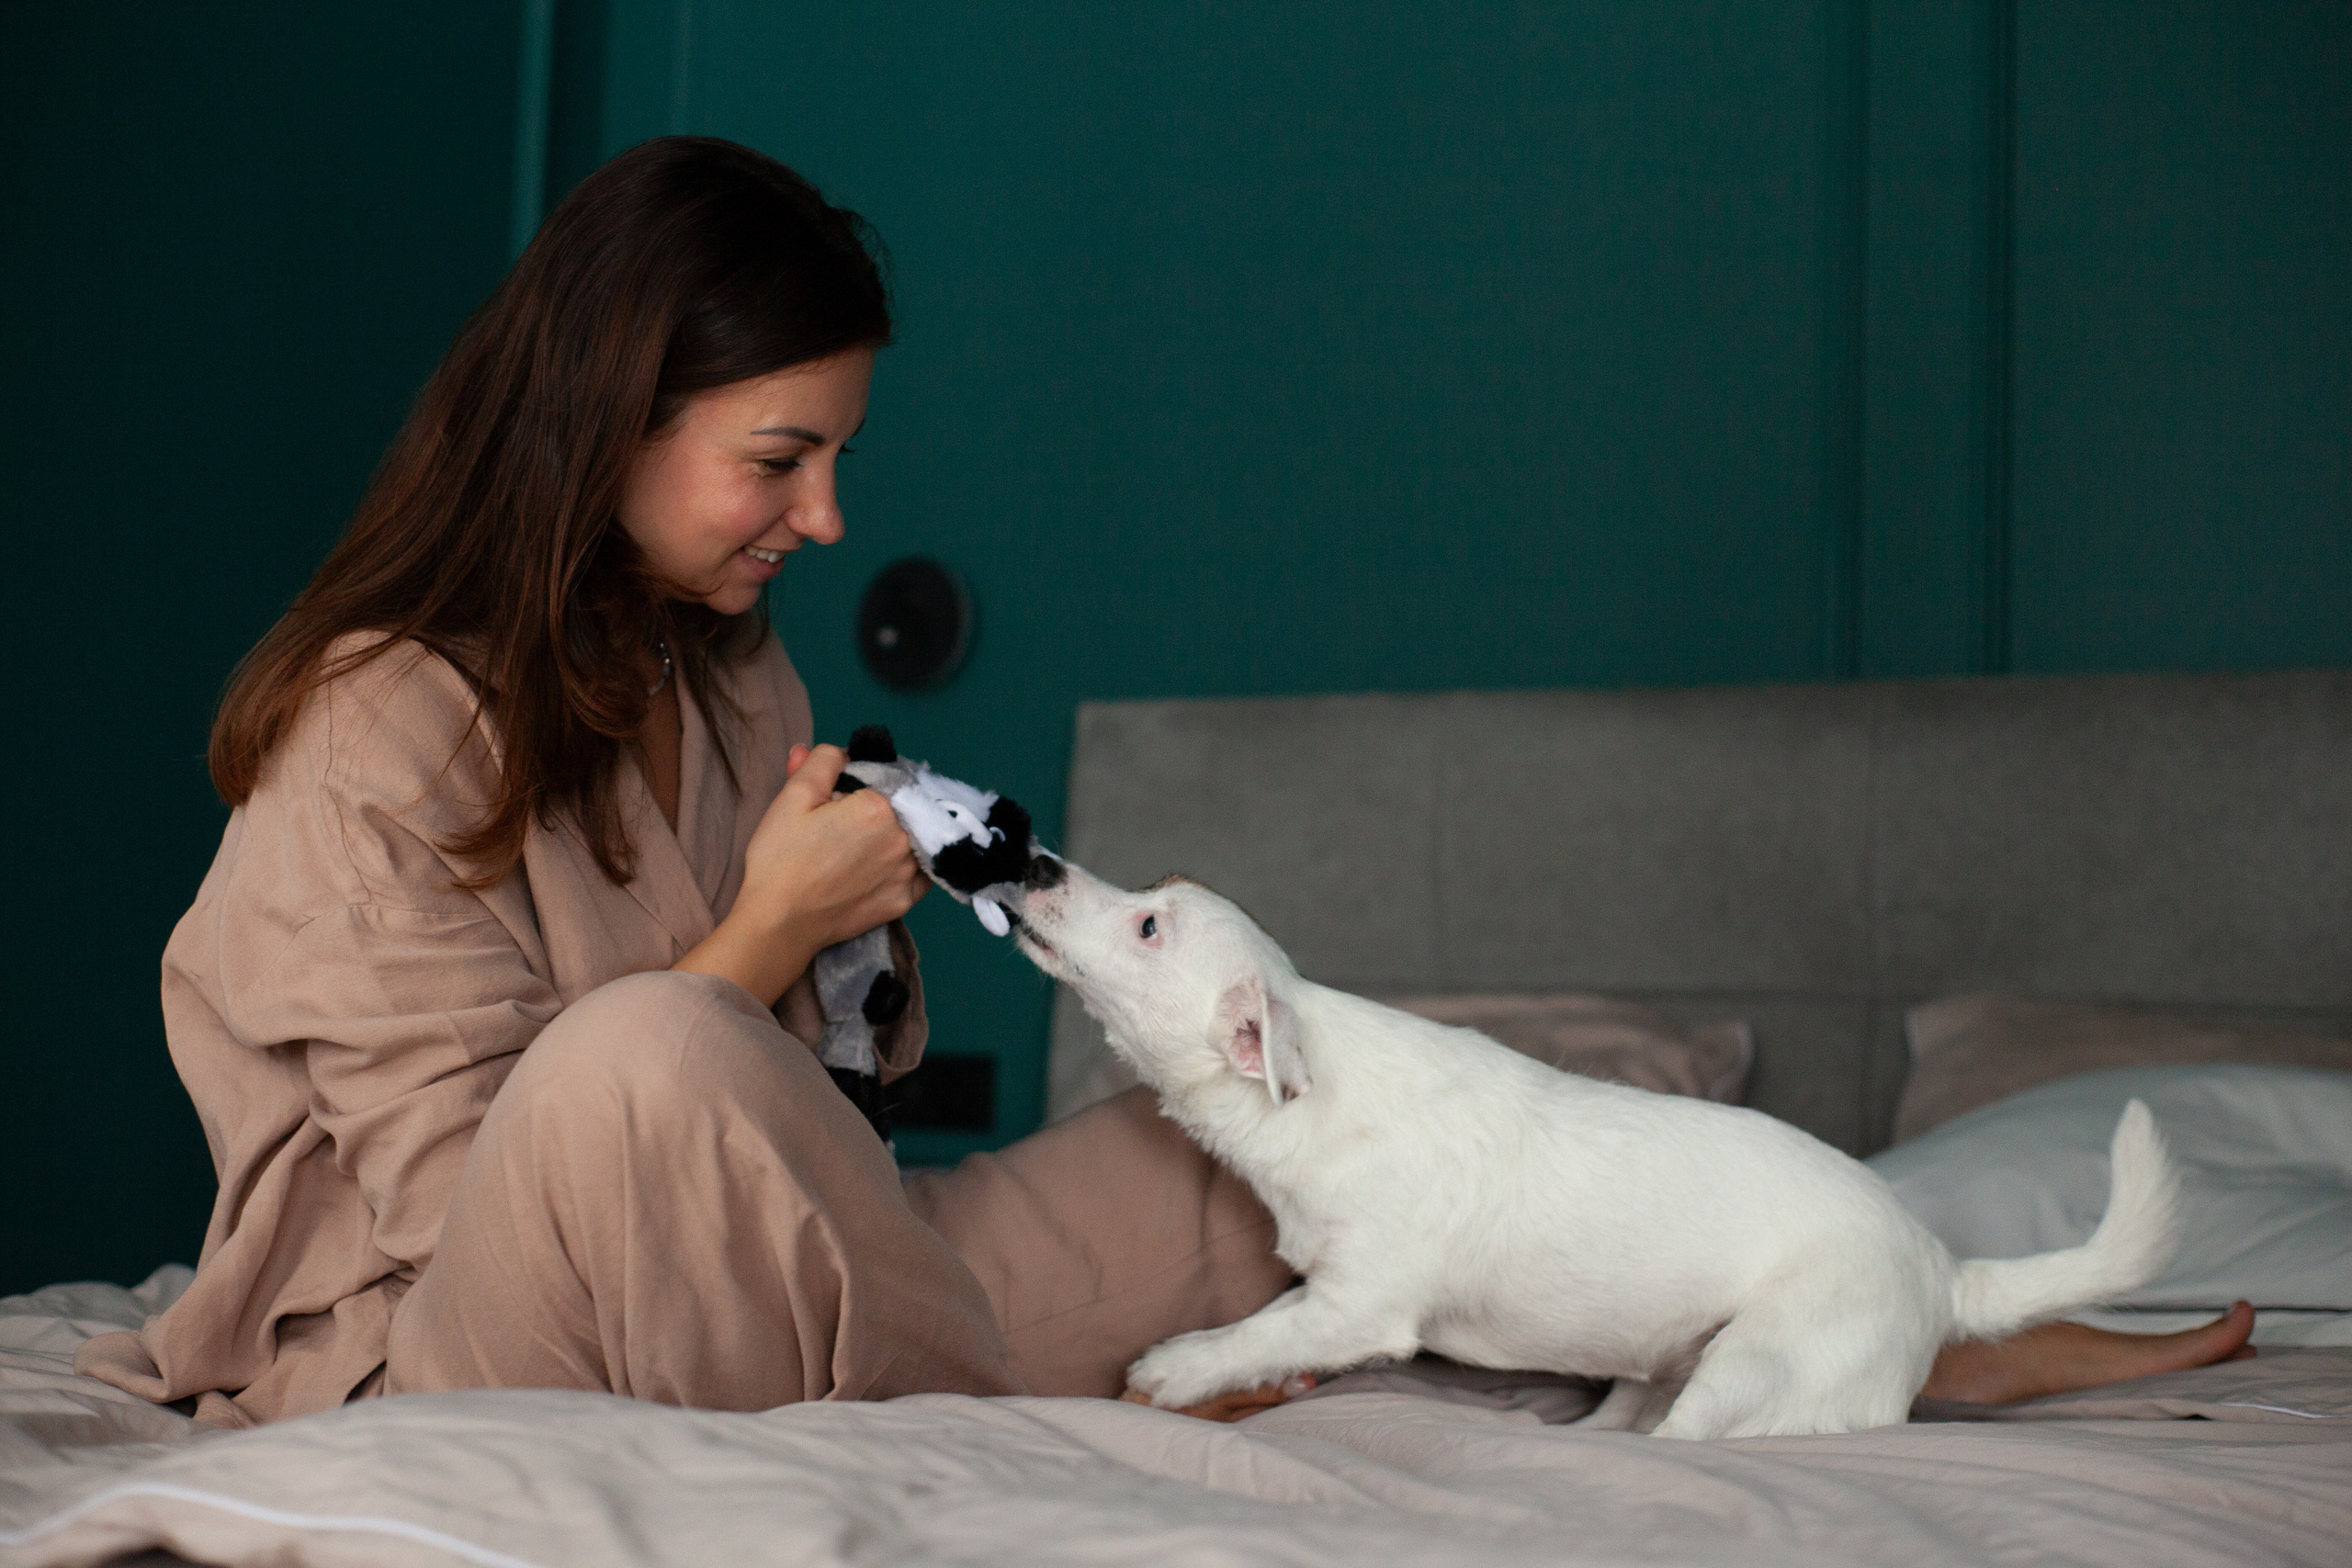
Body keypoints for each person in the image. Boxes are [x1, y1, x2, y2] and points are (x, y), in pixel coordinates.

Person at [77, 137, 2252, 1431]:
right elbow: (510, 1189)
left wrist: (847, 959)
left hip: (780, 1295)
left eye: (834, 457)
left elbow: (810, 1136)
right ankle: (962, 1381)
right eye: (780, 458)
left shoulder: (727, 675)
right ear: (604, 422)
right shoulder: (371, 734)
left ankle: (1878, 1313)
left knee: (1289, 1144)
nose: (821, 520)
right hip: (468, 1331)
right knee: (644, 1044)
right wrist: (759, 939)